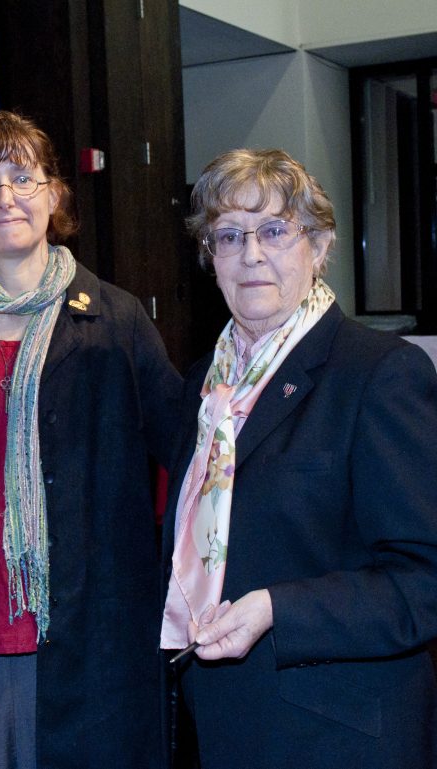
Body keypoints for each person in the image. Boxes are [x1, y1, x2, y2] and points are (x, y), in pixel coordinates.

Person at [0, 110, 181, 769]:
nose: (6, 197)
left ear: (56, 195)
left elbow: (189, 451)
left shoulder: (115, 318)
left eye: (24, 177)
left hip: (89, 640)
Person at [160, 148, 437, 769]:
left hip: (339, 734)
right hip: (226, 723)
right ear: (211, 258)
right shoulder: (208, 383)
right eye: (228, 235)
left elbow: (425, 580)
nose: (251, 253)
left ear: (320, 246)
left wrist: (278, 609)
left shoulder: (379, 374)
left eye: (275, 230)